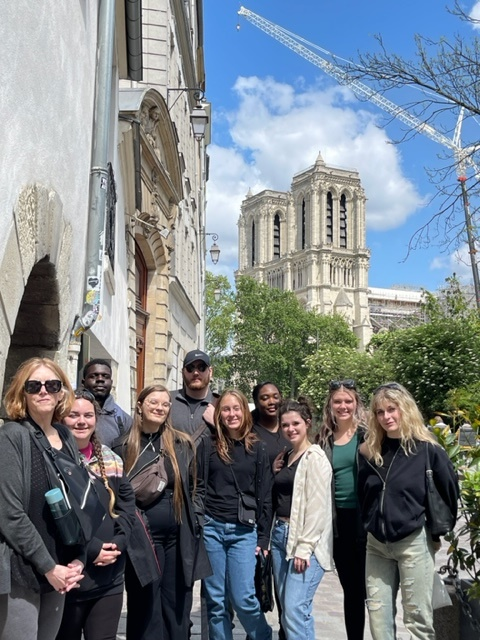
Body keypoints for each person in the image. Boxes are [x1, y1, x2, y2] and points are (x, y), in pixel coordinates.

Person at [358, 382, 459, 640]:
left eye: (392, 409)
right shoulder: (370, 450)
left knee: (418, 623)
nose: (386, 417)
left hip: (412, 542)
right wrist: (369, 522)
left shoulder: (427, 449)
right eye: (380, 412)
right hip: (376, 545)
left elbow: (449, 490)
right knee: (379, 625)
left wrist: (436, 533)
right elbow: (364, 493)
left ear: (405, 409)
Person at [112, 384, 211, 640]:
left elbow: (195, 487)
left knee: (176, 601)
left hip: (178, 536)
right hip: (142, 536)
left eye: (165, 404)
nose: (159, 407)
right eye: (153, 402)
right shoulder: (122, 447)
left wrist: (197, 519)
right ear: (140, 406)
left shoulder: (181, 443)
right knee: (146, 602)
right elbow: (113, 494)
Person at [0, 357, 85, 640]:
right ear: (21, 392)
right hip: (23, 569)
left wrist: (78, 558)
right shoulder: (12, 436)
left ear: (62, 391)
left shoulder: (65, 436)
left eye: (52, 384)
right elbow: (9, 514)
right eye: (34, 385)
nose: (43, 391)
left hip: (60, 566)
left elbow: (78, 501)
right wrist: (48, 567)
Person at [56, 389, 136, 640]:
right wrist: (92, 549)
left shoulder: (112, 459)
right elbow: (54, 517)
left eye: (88, 415)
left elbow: (126, 506)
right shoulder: (51, 459)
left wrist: (119, 543)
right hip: (69, 576)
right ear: (61, 417)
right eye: (73, 415)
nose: (81, 421)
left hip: (108, 577)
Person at [202, 389, 273, 640]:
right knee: (216, 599)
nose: (231, 414)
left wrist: (263, 539)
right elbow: (199, 486)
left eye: (236, 409)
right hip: (212, 529)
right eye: (225, 409)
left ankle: (262, 635)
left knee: (244, 597)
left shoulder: (258, 448)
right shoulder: (208, 445)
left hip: (244, 531)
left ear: (245, 411)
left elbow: (265, 495)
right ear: (218, 414)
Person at [271, 398, 333, 641]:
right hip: (280, 536)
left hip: (304, 542)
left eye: (295, 423)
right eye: (285, 425)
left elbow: (317, 508)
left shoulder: (314, 457)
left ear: (307, 424)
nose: (290, 429)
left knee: (296, 609)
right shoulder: (287, 456)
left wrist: (304, 548)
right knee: (288, 610)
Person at [317, 380, 367, 640]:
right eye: (338, 401)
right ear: (331, 405)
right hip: (338, 522)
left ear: (356, 403)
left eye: (348, 401)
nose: (343, 406)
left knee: (374, 590)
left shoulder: (368, 434)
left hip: (365, 520)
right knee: (352, 590)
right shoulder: (324, 438)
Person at [251, 381, 289, 640]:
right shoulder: (250, 431)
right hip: (259, 517)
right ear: (257, 401)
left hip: (287, 517)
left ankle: (287, 633)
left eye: (275, 396)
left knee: (286, 590)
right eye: (265, 397)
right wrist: (271, 473)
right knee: (257, 585)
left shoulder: (289, 427)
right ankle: (255, 634)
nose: (271, 401)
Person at [82, 359, 133, 447]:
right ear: (83, 382)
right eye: (93, 376)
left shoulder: (123, 420)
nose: (100, 380)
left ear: (111, 382)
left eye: (105, 376)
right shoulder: (68, 412)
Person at [170, 350, 218, 442]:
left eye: (202, 367)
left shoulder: (221, 405)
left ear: (210, 371)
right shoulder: (168, 400)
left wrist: (217, 424)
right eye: (190, 368)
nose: (195, 373)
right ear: (183, 372)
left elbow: (235, 442)